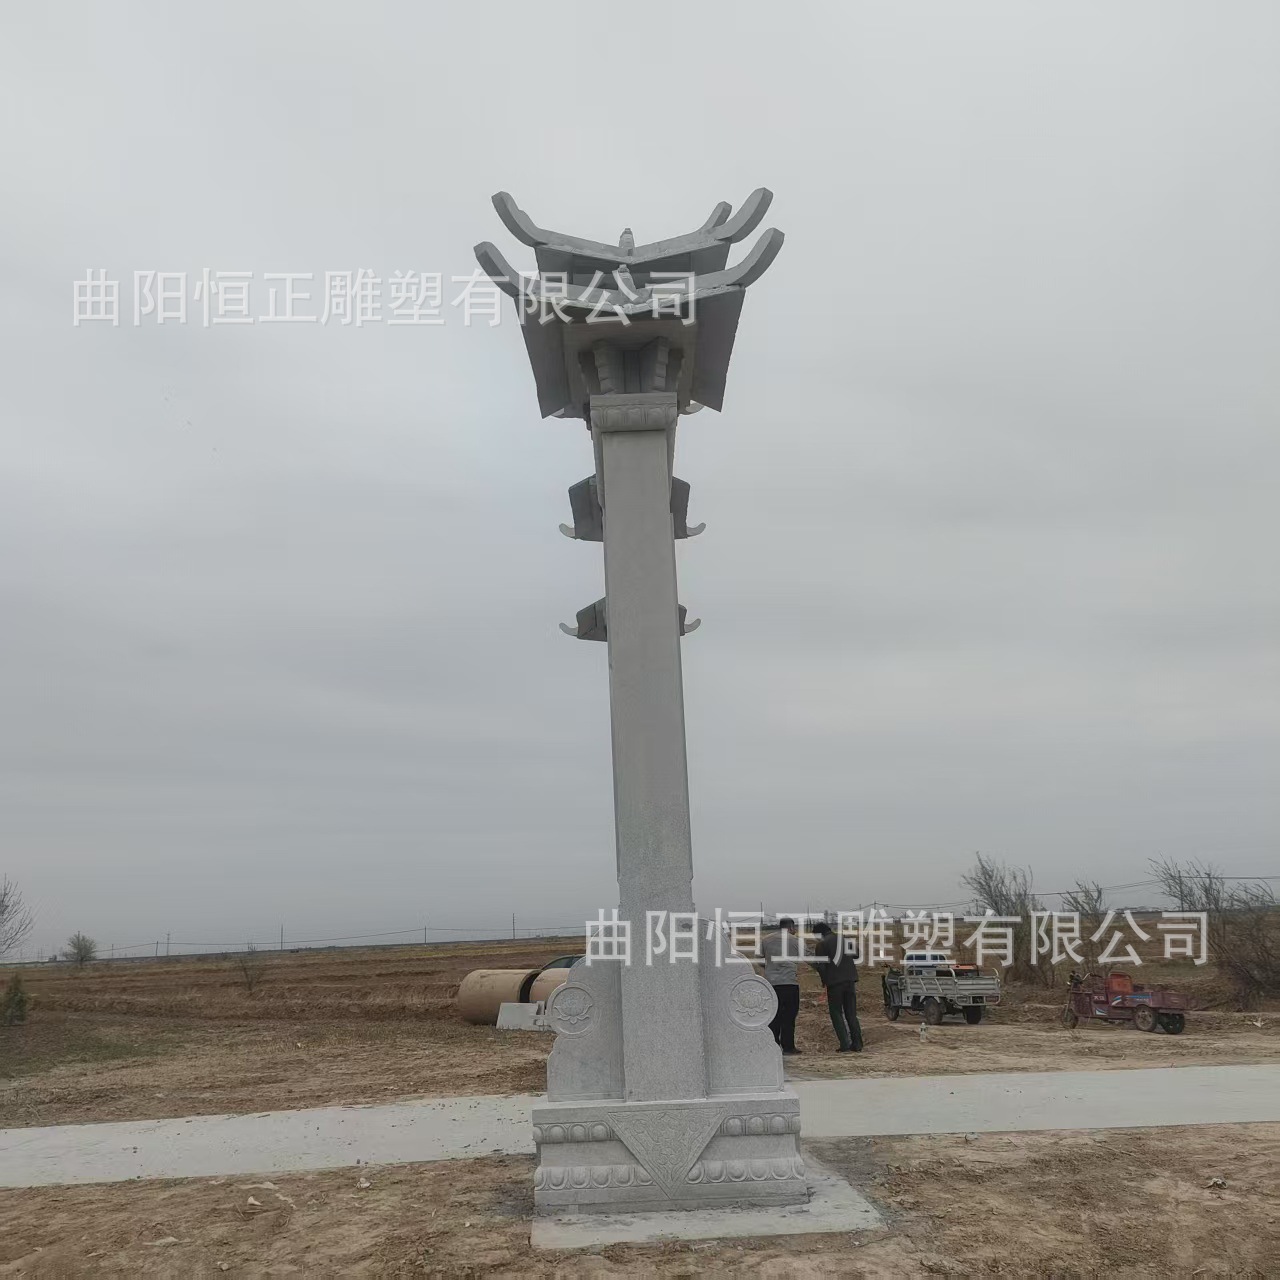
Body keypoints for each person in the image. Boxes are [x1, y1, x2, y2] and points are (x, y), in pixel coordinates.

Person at [811, 920, 864, 1052]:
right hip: (850, 981)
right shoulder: (844, 939)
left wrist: (824, 981)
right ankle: (858, 1044)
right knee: (851, 1014)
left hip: (835, 983)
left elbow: (821, 966)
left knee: (836, 1013)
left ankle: (845, 1044)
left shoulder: (821, 944)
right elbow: (857, 954)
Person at [762, 917, 802, 1055]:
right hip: (790, 983)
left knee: (774, 1016)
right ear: (790, 927)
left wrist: (770, 967)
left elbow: (760, 958)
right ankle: (788, 1047)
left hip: (772, 984)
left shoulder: (766, 939)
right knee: (789, 1016)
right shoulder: (795, 940)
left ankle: (773, 1046)